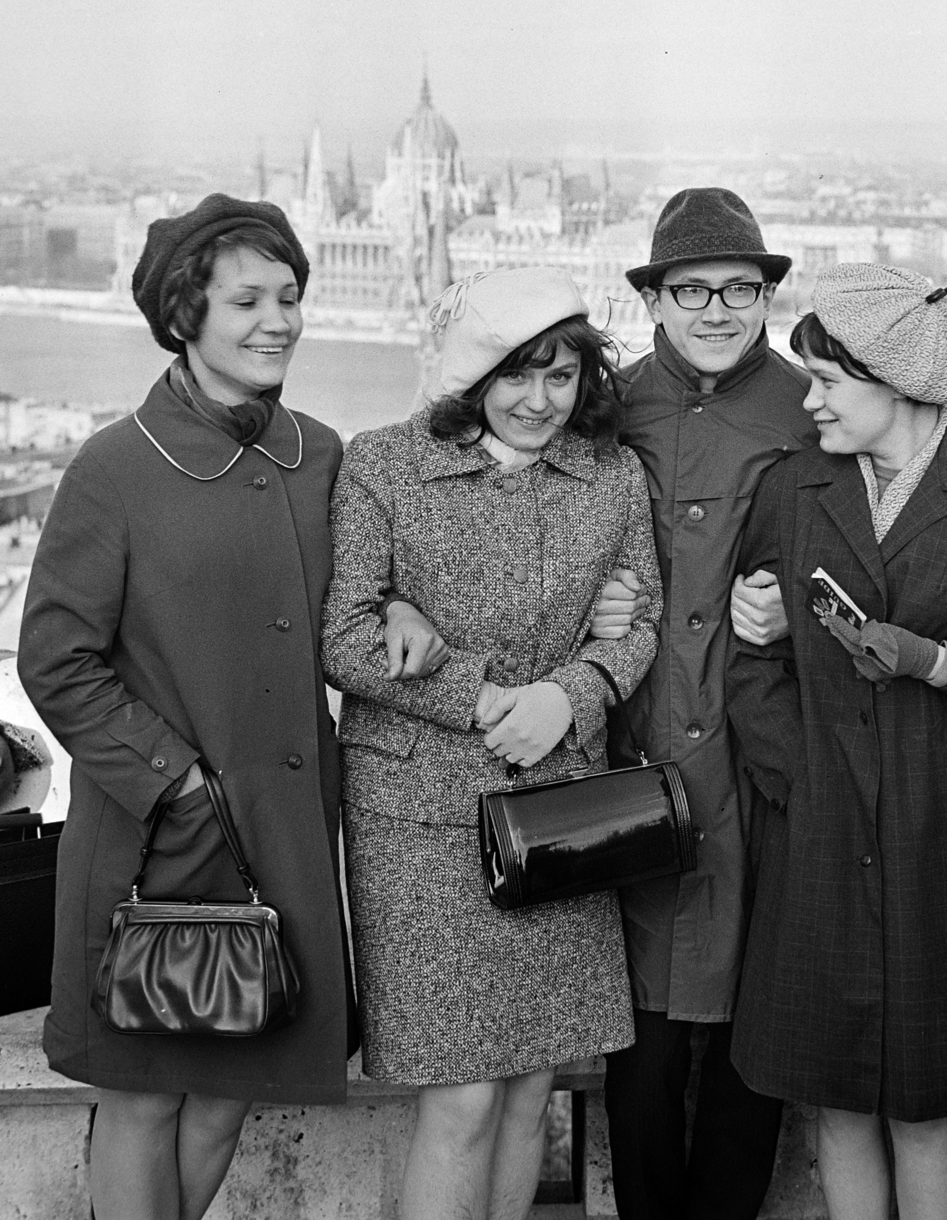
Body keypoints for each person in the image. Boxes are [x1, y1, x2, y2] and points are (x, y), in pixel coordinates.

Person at [18, 195, 353, 1220]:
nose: (278, 320)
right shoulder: (115, 468)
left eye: (289, 296)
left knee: (228, 1098)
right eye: (247, 298)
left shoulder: (321, 454)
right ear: (184, 313)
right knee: (146, 1101)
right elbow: (55, 657)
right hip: (162, 837)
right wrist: (178, 784)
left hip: (286, 839)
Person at [727, 264, 947, 1220]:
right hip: (819, 842)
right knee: (838, 1104)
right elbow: (751, 651)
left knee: (929, 1110)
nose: (809, 404)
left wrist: (931, 661)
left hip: (944, 845)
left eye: (827, 383)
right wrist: (792, 773)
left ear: (897, 383)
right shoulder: (794, 488)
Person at [319, 267, 664, 1220]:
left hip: (558, 809)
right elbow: (346, 637)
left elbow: (641, 621)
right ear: (472, 377)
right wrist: (485, 700)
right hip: (420, 822)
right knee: (464, 1095)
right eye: (516, 376)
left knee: (529, 1091)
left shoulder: (612, 475)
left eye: (561, 378)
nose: (539, 402)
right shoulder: (383, 463)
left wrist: (575, 693)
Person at [599, 187, 815, 1220]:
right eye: (693, 289)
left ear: (768, 293)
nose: (718, 309)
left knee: (748, 1040)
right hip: (629, 752)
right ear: (656, 298)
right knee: (635, 1048)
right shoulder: (608, 406)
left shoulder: (812, 407)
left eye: (740, 288)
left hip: (758, 761)